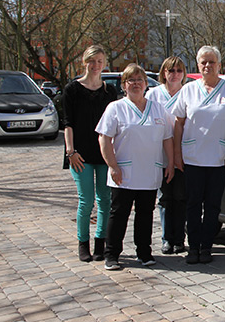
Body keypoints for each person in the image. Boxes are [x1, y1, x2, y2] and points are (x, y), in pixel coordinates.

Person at [96, 64, 175, 270]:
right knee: (119, 213)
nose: (136, 84)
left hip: (150, 171)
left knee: (145, 213)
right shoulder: (116, 108)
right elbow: (104, 139)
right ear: (124, 85)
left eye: (140, 80)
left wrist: (171, 163)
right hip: (124, 172)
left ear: (146, 84)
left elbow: (167, 138)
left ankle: (144, 252)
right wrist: (112, 166)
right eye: (131, 80)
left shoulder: (158, 108)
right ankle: (112, 254)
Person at [172, 46, 225, 264]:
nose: (207, 66)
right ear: (198, 64)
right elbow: (178, 122)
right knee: (193, 204)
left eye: (211, 62)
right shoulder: (188, 90)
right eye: (203, 62)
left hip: (219, 158)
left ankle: (206, 247)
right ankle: (193, 247)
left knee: (213, 206)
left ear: (219, 65)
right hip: (193, 157)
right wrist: (177, 153)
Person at [62, 45, 117, 262]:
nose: (95, 66)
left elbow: (114, 125)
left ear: (104, 64)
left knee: (104, 200)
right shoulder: (72, 90)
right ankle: (82, 243)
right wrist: (70, 151)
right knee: (86, 201)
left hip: (103, 154)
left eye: (100, 61)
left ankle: (100, 244)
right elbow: (68, 123)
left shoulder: (109, 91)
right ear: (84, 62)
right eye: (92, 61)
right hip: (80, 155)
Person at [147, 56, 188, 255]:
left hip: (182, 153)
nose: (175, 74)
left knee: (180, 196)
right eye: (171, 70)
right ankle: (166, 239)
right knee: (164, 198)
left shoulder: (188, 93)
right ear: (163, 72)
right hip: (160, 154)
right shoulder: (153, 94)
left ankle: (179, 238)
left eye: (179, 70)